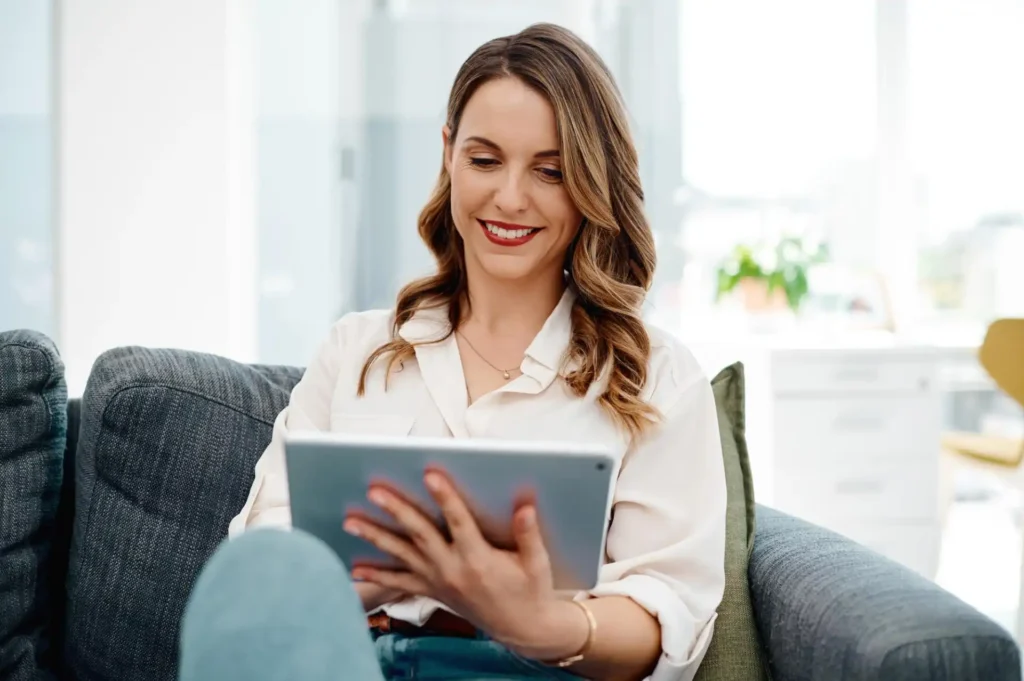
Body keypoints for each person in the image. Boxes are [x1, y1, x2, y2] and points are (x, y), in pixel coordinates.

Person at [179, 22, 726, 681]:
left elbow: (670, 610)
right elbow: (263, 563)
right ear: (448, 153)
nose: (510, 197)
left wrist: (541, 623)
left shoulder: (656, 377)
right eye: (485, 159)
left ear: (590, 183)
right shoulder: (357, 349)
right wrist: (374, 578)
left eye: (550, 171)